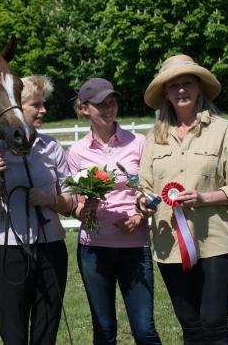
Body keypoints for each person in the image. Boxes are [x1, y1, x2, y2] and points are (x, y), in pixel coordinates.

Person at [137, 54, 228, 345]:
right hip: (169, 246)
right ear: (165, 92)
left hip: (215, 243)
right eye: (173, 85)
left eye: (187, 83)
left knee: (214, 325)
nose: (181, 90)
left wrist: (205, 197)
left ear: (199, 87)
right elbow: (145, 187)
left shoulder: (222, 131)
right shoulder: (154, 138)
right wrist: (143, 202)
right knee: (191, 328)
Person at [66, 78, 162, 345]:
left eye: (112, 102)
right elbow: (75, 206)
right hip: (94, 250)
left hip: (135, 246)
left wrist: (140, 216)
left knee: (144, 331)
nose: (109, 109)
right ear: (85, 109)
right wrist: (86, 209)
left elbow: (152, 192)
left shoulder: (138, 143)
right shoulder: (76, 152)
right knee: (104, 332)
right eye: (100, 105)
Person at [0, 75, 74, 345]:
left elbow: (69, 204)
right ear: (17, 108)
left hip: (51, 247)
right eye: (36, 105)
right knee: (13, 332)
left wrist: (48, 199)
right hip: (11, 250)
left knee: (47, 330)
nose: (43, 110)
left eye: (43, 104)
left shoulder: (53, 148)